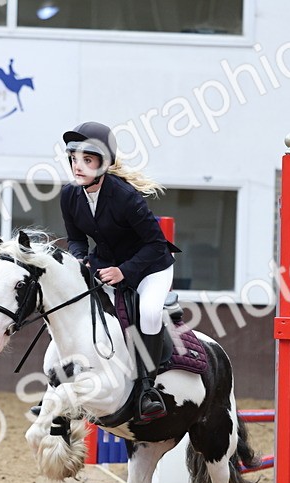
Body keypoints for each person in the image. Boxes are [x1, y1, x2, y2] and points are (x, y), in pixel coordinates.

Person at [59, 121, 178, 422]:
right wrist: (80, 259)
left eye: (87, 160)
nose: (78, 166)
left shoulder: (126, 197)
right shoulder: (69, 196)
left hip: (150, 267)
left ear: (104, 164)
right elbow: (75, 238)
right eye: (75, 159)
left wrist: (124, 271)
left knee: (149, 312)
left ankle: (148, 388)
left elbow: (155, 244)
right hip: (105, 265)